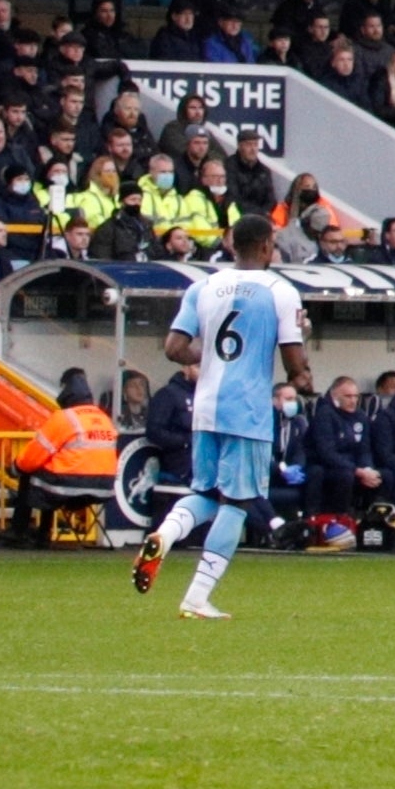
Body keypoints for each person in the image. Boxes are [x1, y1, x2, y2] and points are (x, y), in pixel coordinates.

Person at [132, 213, 308, 619]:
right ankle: (197, 596)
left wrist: (208, 356)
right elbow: (295, 364)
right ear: (266, 246)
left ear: (232, 245)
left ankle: (164, 533)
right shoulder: (281, 291)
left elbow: (174, 348)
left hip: (206, 406)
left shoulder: (203, 286)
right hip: (246, 410)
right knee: (238, 502)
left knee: (207, 492)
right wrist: (303, 377)